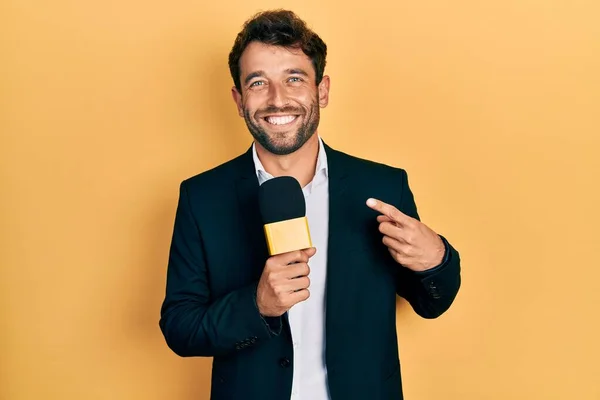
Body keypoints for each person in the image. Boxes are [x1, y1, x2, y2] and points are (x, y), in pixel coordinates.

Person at [159, 9, 461, 400]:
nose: (277, 99)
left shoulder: (383, 186)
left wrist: (435, 258)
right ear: (238, 99)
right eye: (257, 83)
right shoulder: (202, 197)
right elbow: (181, 327)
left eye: (294, 79)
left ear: (322, 91)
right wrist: (257, 304)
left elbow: (431, 302)